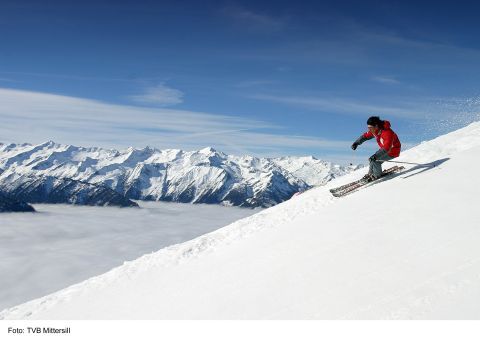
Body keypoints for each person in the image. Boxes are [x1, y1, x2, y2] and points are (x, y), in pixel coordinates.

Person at [351, 116, 401, 181]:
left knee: (375, 160)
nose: (369, 129)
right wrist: (356, 143)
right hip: (386, 150)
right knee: (372, 159)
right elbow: (365, 136)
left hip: (393, 151)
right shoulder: (375, 131)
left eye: (370, 128)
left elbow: (387, 148)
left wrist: (376, 156)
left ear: (376, 126)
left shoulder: (387, 133)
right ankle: (370, 174)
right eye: (368, 127)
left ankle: (376, 175)